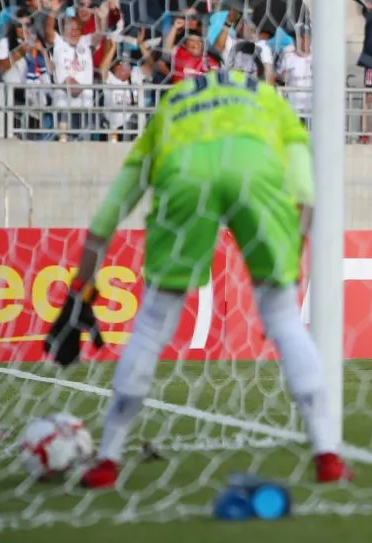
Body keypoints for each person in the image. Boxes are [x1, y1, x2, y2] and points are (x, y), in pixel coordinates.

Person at [44, 47, 350, 488]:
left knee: (151, 324)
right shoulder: (269, 100)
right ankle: (327, 456)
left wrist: (82, 284)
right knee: (284, 318)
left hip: (185, 173)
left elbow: (115, 206)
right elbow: (305, 189)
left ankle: (108, 458)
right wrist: (290, 265)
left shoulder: (175, 102)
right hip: (254, 170)